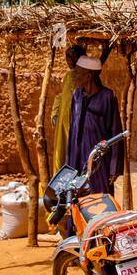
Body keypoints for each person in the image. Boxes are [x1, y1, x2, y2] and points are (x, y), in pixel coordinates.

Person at [66, 54, 123, 195]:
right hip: (76, 157)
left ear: (89, 76)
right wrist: (68, 162)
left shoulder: (108, 97)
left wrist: (114, 168)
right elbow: (72, 128)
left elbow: (116, 131)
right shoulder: (76, 95)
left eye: (78, 73)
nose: (74, 76)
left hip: (98, 160)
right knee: (76, 197)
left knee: (99, 197)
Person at [50, 44, 86, 176]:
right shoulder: (68, 76)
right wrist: (55, 113)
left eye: (72, 57)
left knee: (72, 154)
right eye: (67, 57)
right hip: (63, 123)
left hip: (75, 122)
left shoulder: (84, 77)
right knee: (62, 153)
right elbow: (61, 96)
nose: (69, 60)